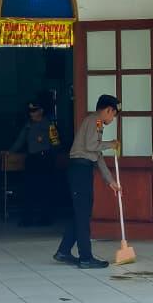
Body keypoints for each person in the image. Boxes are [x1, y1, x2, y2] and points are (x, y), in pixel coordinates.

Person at [55, 94, 121, 269]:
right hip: (79, 170)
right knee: (83, 214)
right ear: (108, 110)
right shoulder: (95, 120)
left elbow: (96, 154)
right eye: (114, 115)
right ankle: (86, 257)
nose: (113, 119)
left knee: (80, 213)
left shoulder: (97, 123)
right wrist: (111, 144)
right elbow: (92, 146)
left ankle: (63, 251)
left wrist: (110, 181)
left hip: (83, 169)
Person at [10, 101, 61, 226]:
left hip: (45, 159)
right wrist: (10, 152)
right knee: (29, 189)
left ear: (41, 111)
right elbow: (20, 140)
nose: (31, 114)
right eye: (30, 111)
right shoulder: (28, 125)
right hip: (32, 159)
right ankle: (27, 219)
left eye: (34, 111)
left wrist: (51, 157)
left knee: (45, 189)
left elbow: (56, 143)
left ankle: (45, 218)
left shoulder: (49, 125)